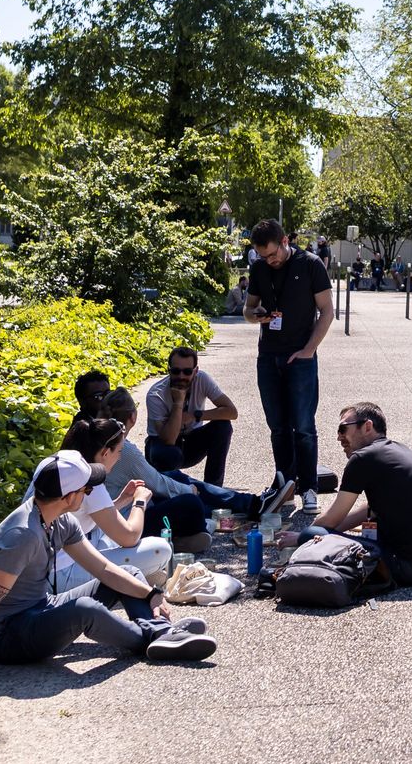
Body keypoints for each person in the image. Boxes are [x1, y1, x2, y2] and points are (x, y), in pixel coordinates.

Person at [0, 450, 215, 690]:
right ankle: (155, 637)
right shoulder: (22, 536)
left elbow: (104, 569)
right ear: (69, 496)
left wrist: (151, 594)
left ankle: (161, 632)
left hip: (40, 608)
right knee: (85, 609)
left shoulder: (60, 520)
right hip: (6, 637)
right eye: (87, 489)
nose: (90, 493)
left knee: (130, 573)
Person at [298, 401, 412, 591]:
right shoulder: (398, 450)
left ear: (367, 426)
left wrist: (303, 537)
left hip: (411, 567)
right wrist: (334, 531)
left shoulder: (362, 458)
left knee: (310, 535)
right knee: (328, 534)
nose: (339, 437)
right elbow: (370, 509)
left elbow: (330, 519)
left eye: (343, 429)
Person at [244, 218, 334, 513]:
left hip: (300, 357)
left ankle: (309, 487)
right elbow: (248, 310)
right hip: (268, 356)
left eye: (273, 254)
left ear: (285, 241)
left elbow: (327, 311)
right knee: (278, 426)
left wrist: (309, 350)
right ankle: (285, 485)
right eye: (264, 256)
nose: (270, 261)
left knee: (303, 426)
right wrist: (256, 315)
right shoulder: (259, 268)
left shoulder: (310, 264)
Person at [101, 387, 268, 545]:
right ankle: (198, 527)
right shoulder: (124, 450)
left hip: (116, 516)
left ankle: (241, 506)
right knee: (189, 502)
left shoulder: (98, 438)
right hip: (127, 524)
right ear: (133, 417)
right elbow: (157, 483)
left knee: (173, 478)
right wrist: (188, 491)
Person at [45, 416, 175, 591]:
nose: (119, 458)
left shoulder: (54, 463)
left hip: (42, 565)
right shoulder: (89, 480)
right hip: (60, 575)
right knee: (161, 550)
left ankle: (139, 575)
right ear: (106, 452)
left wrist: (121, 500)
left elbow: (85, 514)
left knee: (107, 536)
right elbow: (129, 537)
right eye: (119, 451)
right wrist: (139, 502)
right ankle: (136, 578)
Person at [144, 346, 237, 487]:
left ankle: (213, 488)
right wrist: (178, 403)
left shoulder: (202, 379)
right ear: (169, 370)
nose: (181, 377)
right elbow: (168, 439)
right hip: (162, 447)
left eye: (187, 372)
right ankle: (168, 490)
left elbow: (232, 412)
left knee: (223, 427)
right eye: (176, 371)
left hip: (190, 442)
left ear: (196, 371)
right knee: (169, 455)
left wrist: (195, 415)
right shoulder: (155, 394)